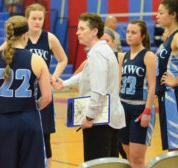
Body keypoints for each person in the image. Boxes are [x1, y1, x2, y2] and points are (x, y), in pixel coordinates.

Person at [53, 13, 125, 161]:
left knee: (97, 164)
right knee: (109, 164)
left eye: (82, 28)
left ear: (94, 31)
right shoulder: (102, 50)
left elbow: (98, 90)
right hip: (109, 118)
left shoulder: (97, 53)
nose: (77, 32)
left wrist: (89, 117)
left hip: (99, 121)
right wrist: (65, 83)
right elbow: (87, 75)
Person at [0, 15, 51, 168]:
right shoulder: (37, 60)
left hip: (3, 121)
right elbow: (46, 97)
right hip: (29, 119)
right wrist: (32, 107)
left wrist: (0, 103)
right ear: (26, 35)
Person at [25, 4, 68, 166]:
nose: (37, 22)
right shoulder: (21, 38)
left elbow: (63, 59)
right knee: (27, 134)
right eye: (34, 18)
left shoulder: (49, 38)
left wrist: (54, 76)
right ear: (27, 19)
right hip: (25, 92)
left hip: (44, 92)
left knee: (45, 136)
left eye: (40, 19)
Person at [118, 20, 156, 168]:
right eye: (127, 32)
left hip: (139, 109)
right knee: (127, 155)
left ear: (143, 36)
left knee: (137, 159)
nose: (129, 35)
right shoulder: (124, 56)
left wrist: (147, 111)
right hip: (123, 108)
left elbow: (153, 85)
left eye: (133, 32)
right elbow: (119, 82)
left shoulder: (148, 55)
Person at [156, 0, 178, 151]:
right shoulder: (171, 36)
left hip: (174, 96)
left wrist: (175, 81)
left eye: (161, 12)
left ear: (173, 15)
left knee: (177, 149)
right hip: (168, 97)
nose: (157, 16)